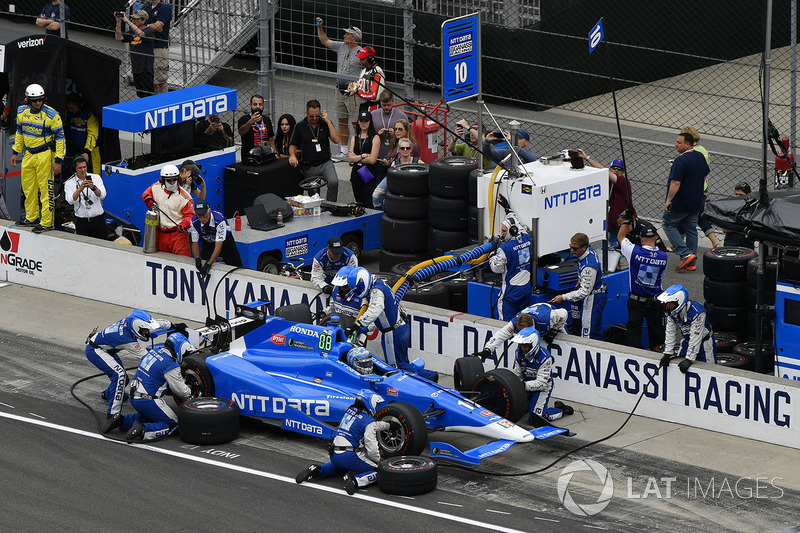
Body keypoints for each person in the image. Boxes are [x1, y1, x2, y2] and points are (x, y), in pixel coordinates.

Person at [345, 267, 438, 381]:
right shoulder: (380, 284)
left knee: (396, 368)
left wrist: (357, 325)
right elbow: (382, 314)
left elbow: (375, 310)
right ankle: (421, 381)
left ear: (364, 281)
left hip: (392, 333)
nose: (358, 292)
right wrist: (366, 327)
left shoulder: (376, 291)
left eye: (359, 289)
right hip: (400, 328)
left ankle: (431, 376)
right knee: (403, 363)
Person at [86, 309, 181, 418]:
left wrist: (173, 325)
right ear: (136, 328)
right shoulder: (127, 339)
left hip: (106, 348)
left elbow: (155, 323)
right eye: (144, 330)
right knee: (119, 375)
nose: (146, 332)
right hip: (95, 351)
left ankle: (108, 395)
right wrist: (166, 360)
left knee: (125, 379)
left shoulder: (130, 322)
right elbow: (146, 356)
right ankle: (113, 413)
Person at [102, 333, 195, 441]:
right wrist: (191, 391)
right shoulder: (171, 366)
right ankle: (144, 430)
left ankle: (121, 421)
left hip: (133, 395)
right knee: (175, 424)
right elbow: (183, 392)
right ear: (180, 349)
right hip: (147, 400)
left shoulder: (153, 351)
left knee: (152, 417)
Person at [296, 389, 390, 495]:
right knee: (380, 471)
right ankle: (355, 480)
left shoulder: (349, 411)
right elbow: (371, 447)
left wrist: (387, 425)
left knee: (338, 467)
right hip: (349, 456)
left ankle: (316, 470)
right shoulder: (368, 421)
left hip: (334, 454)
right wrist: (379, 460)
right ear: (370, 403)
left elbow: (374, 425)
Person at [10, 83, 66, 233]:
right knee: (28, 189)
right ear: (27, 100)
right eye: (34, 100)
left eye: (41, 100)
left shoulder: (52, 115)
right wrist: (15, 152)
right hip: (28, 155)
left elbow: (61, 139)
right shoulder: (21, 111)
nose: (38, 103)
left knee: (46, 190)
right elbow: (19, 133)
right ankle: (32, 218)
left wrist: (58, 161)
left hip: (45, 155)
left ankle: (47, 223)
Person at [315, 18, 362, 161]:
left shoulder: (361, 53)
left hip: (353, 94)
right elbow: (324, 41)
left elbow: (369, 72)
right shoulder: (341, 46)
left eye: (347, 34)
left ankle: (357, 150)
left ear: (354, 38)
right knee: (342, 121)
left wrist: (358, 87)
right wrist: (320, 27)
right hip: (339, 90)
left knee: (356, 123)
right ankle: (343, 151)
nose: (344, 36)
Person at [662, 132, 710, 271]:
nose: (675, 144)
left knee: (668, 224)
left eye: (679, 142)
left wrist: (668, 200)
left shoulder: (680, 161)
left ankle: (685, 254)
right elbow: (705, 174)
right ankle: (691, 263)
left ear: (687, 144)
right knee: (691, 229)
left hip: (681, 202)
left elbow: (675, 183)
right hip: (696, 201)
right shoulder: (700, 156)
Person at [617, 221, 668, 349]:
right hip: (656, 301)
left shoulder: (634, 251)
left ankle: (633, 358)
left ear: (641, 239)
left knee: (633, 332)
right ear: (656, 238)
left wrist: (626, 220)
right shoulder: (664, 256)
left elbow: (620, 237)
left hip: (636, 300)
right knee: (657, 333)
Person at [510, 327, 572, 426]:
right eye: (522, 345)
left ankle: (561, 409)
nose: (523, 348)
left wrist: (522, 385)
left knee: (535, 420)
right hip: (525, 386)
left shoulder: (545, 358)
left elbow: (542, 383)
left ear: (533, 345)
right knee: (516, 411)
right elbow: (518, 374)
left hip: (542, 388)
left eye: (526, 346)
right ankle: (531, 404)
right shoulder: (518, 353)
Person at [551, 233, 607, 340]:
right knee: (593, 329)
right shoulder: (589, 252)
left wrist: (563, 297)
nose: (572, 250)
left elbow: (584, 292)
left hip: (593, 297)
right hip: (596, 293)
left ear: (584, 247)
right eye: (571, 247)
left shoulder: (588, 267)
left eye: (575, 249)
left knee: (588, 332)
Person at [475, 303, 569, 361]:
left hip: (549, 314)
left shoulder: (547, 319)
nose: (522, 333)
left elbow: (564, 313)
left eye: (524, 330)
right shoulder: (514, 324)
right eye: (520, 331)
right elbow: (500, 335)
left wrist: (554, 330)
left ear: (531, 325)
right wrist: (488, 349)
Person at [289, 99, 341, 201]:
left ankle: (330, 206)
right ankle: (317, 211)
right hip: (310, 165)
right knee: (313, 192)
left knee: (333, 182)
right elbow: (293, 145)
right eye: (311, 116)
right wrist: (292, 155)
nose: (314, 118)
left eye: (317, 116)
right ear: (306, 112)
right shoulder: (300, 126)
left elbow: (336, 139)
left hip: (325, 162)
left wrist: (328, 121)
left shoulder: (325, 123)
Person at [657, 284, 716, 374]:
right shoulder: (671, 312)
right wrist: (667, 353)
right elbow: (670, 332)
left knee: (709, 371)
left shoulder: (697, 312)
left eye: (670, 303)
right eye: (667, 303)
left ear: (679, 301)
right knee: (678, 366)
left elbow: (695, 336)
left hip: (704, 343)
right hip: (687, 341)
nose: (668, 306)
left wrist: (689, 359)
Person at [578, 150, 634, 243]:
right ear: (610, 169)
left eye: (620, 169)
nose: (617, 170)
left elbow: (603, 171)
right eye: (614, 167)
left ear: (623, 172)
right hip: (611, 225)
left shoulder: (623, 182)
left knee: (618, 250)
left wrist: (587, 159)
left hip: (622, 226)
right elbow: (602, 171)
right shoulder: (608, 181)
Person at [679, 126, 720, 248]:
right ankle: (715, 242)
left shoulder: (691, 152)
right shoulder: (704, 150)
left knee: (685, 217)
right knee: (699, 217)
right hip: (703, 186)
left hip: (692, 188)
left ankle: (679, 245)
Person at [142, 164, 195, 256]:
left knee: (182, 261)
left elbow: (190, 216)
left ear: (178, 179)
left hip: (178, 235)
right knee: (158, 258)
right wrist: (148, 200)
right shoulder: (156, 188)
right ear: (162, 180)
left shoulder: (186, 198)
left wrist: (184, 225)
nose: (172, 182)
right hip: (160, 233)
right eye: (169, 180)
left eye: (174, 179)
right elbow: (146, 193)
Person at [489, 213, 533, 321]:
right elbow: (520, 227)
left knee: (505, 326)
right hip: (526, 289)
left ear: (511, 231)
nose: (502, 233)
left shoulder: (504, 248)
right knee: (523, 322)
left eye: (504, 231)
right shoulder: (527, 239)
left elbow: (497, 268)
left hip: (510, 292)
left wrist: (492, 258)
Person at [190, 200, 243, 275]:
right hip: (208, 242)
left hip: (225, 242)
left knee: (236, 266)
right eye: (199, 215)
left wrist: (209, 264)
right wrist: (197, 259)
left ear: (209, 211)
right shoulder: (194, 222)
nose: (202, 218)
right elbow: (194, 242)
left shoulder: (219, 221)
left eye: (203, 214)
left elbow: (218, 246)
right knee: (203, 263)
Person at [372, 137, 424, 210]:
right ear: (398, 150)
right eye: (402, 148)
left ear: (411, 149)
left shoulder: (418, 162)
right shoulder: (395, 163)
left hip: (412, 186)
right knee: (376, 195)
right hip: (396, 184)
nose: (405, 150)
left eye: (408, 148)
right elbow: (392, 180)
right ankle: (380, 216)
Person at [64, 155, 107, 240]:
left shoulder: (96, 177)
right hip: (82, 222)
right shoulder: (69, 183)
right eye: (80, 168)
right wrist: (80, 189)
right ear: (75, 169)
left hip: (98, 220)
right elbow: (70, 201)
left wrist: (93, 187)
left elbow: (103, 195)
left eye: (84, 167)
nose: (83, 170)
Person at [114, 10, 155, 98]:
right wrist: (119, 21)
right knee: (140, 93)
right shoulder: (132, 31)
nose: (134, 21)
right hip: (136, 66)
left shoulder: (149, 30)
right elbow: (119, 37)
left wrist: (127, 21)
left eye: (136, 19)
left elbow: (141, 34)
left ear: (143, 20)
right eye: (133, 19)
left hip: (146, 67)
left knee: (148, 92)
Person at [348, 111, 381, 205]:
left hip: (369, 172)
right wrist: (363, 156)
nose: (363, 123)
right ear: (358, 122)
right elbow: (349, 159)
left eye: (366, 121)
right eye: (361, 121)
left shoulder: (375, 137)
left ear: (370, 122)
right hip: (356, 172)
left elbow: (372, 160)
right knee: (359, 201)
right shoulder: (355, 137)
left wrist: (356, 157)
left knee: (368, 201)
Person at [64, 93, 101, 175]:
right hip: (74, 150)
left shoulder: (89, 115)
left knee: (93, 175)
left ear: (79, 105)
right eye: (69, 108)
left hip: (90, 152)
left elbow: (92, 134)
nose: (70, 110)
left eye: (72, 108)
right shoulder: (68, 114)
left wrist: (86, 151)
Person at [142, 0, 172, 94]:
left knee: (161, 80)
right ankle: (156, 102)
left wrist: (144, 26)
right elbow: (138, 23)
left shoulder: (165, 7)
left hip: (159, 47)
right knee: (153, 80)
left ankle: (164, 103)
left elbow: (158, 27)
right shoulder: (147, 7)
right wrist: (151, 26)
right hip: (147, 46)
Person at [345, 46, 385, 114]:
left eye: (362, 58)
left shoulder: (377, 73)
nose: (360, 60)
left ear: (370, 59)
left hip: (373, 108)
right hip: (364, 106)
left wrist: (357, 92)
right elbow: (361, 84)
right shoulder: (364, 70)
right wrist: (353, 85)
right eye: (360, 58)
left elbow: (374, 96)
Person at [371, 90, 408, 162]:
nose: (386, 108)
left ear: (393, 101)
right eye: (384, 105)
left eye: (388, 105)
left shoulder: (401, 116)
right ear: (380, 102)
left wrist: (397, 134)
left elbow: (408, 136)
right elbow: (368, 135)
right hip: (378, 154)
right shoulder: (373, 115)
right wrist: (377, 135)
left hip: (396, 156)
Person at [238, 94, 276, 163]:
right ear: (250, 105)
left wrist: (275, 152)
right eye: (255, 104)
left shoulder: (266, 120)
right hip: (249, 157)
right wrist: (250, 122)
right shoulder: (244, 119)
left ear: (263, 106)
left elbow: (271, 139)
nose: (258, 107)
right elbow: (241, 132)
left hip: (265, 155)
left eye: (260, 104)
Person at [723, 182, 755, 248]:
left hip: (747, 243)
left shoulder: (752, 208)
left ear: (748, 194)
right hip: (731, 243)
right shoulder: (730, 207)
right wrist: (742, 228)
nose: (738, 196)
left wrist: (734, 226)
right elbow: (724, 229)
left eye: (740, 195)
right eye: (736, 194)